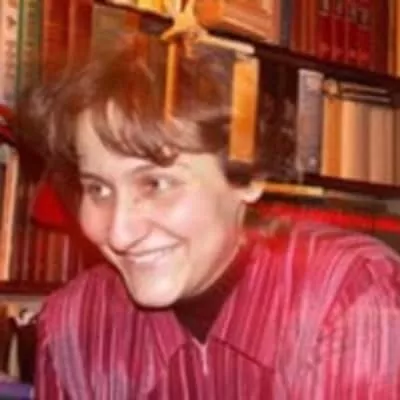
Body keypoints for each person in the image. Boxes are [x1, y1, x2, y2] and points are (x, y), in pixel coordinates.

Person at [14, 34, 400, 399]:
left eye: (156, 184)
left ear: (247, 178)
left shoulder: (347, 294)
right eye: (98, 189)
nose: (119, 232)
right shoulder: (74, 326)